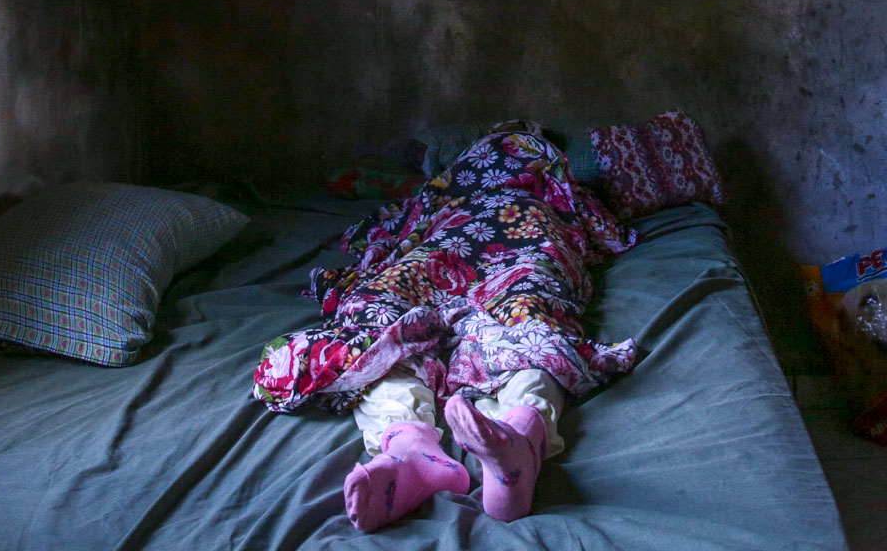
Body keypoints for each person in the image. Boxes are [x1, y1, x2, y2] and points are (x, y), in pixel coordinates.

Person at [252, 122, 640, 531]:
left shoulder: (562, 184)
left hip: (527, 240)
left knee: (529, 315)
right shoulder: (446, 185)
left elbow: (601, 230)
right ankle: (411, 451)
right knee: (381, 329)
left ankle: (519, 440)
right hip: (443, 242)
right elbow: (410, 211)